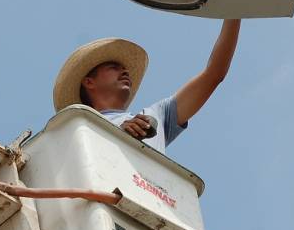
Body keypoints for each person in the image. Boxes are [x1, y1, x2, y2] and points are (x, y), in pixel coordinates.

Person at [51, 20, 241, 153]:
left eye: (125, 69)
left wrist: (233, 12)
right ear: (89, 82)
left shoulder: (155, 116)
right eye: (114, 67)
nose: (124, 72)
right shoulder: (80, 130)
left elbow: (214, 74)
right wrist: (119, 136)